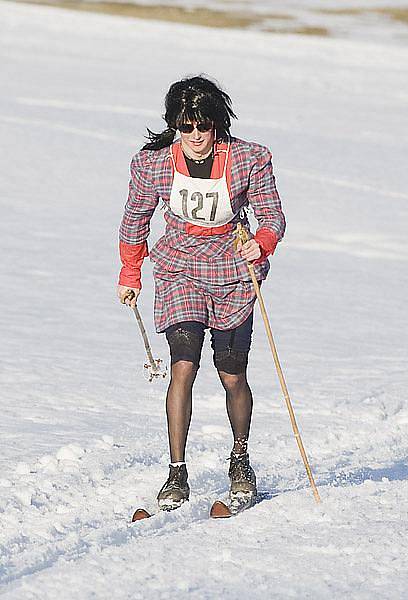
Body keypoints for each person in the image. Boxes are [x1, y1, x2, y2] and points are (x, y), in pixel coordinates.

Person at [117, 75, 286, 509]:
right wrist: (131, 271)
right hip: (178, 268)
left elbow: (273, 216)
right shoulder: (152, 164)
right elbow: (136, 218)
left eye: (203, 126)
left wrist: (260, 242)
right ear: (175, 124)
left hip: (232, 270)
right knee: (183, 367)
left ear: (217, 125)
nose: (195, 136)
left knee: (231, 373)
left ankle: (241, 459)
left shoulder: (250, 159)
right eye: (186, 126)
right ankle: (177, 473)